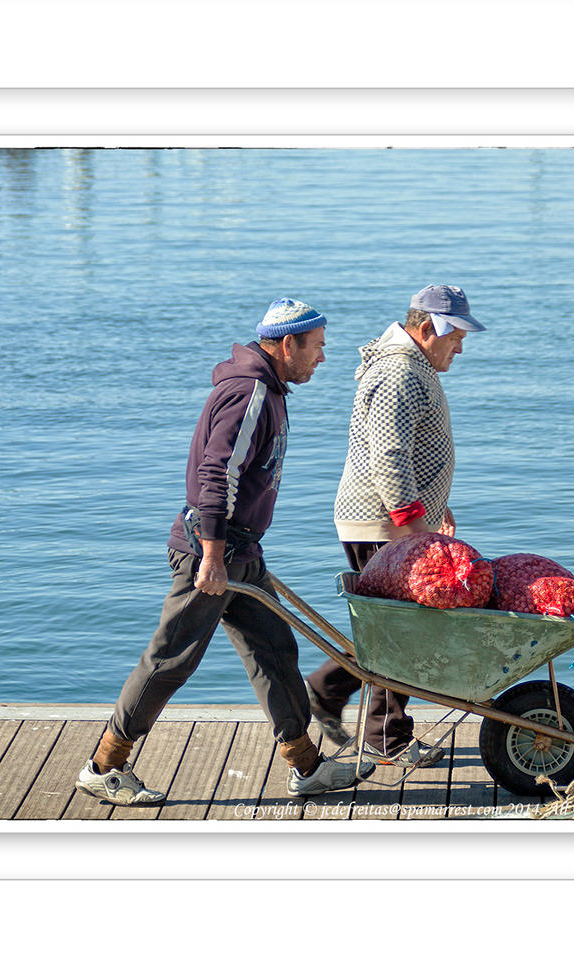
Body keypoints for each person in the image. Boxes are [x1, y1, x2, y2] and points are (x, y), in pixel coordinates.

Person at [76, 298, 376, 805]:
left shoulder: (269, 389)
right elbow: (216, 474)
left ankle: (305, 767)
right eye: (318, 347)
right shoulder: (252, 392)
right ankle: (104, 766)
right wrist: (212, 556)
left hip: (240, 550)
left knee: (275, 652)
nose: (323, 358)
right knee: (172, 659)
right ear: (288, 345)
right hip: (210, 552)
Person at [307, 284, 486, 766]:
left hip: (393, 518)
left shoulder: (410, 367)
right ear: (428, 328)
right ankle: (381, 735)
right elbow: (388, 454)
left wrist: (435, 506)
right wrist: (410, 526)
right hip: (383, 523)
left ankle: (333, 694)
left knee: (396, 631)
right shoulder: (400, 372)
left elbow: (410, 450)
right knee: (405, 633)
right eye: (458, 336)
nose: (462, 346)